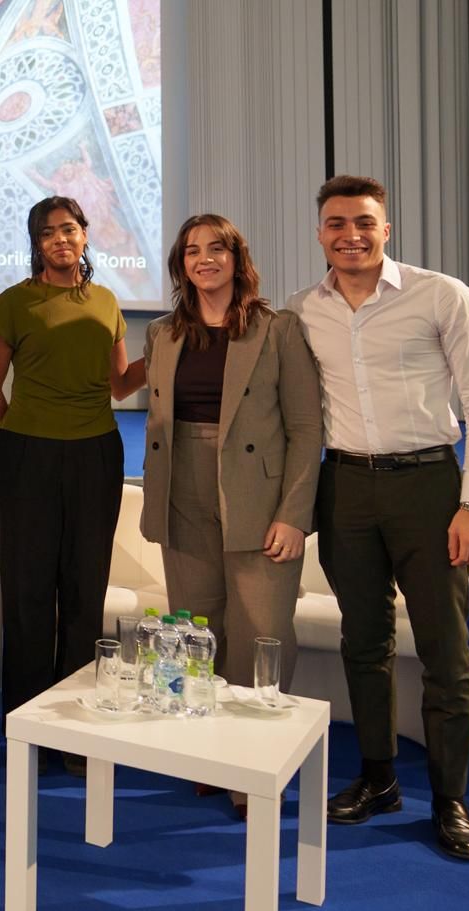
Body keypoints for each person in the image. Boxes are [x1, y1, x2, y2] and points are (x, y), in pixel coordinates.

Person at [289, 175, 469, 861]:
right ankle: (378, 779)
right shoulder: (301, 312)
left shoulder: (442, 295)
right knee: (365, 641)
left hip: (429, 486)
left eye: (363, 222)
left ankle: (451, 800)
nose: (349, 234)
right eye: (335, 223)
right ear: (319, 232)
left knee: (446, 650)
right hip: (345, 486)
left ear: (386, 228)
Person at [140, 214, 323, 817]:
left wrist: (294, 513)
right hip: (181, 491)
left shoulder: (277, 330)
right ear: (180, 266)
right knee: (196, 629)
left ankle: (255, 761)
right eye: (191, 251)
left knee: (261, 630)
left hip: (257, 495)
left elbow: (304, 428)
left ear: (236, 258)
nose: (203, 259)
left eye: (216, 248)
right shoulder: (164, 334)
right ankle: (207, 750)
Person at [0, 195, 144, 774]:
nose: (59, 239)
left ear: (84, 235)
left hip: (97, 453)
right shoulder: (14, 303)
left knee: (84, 590)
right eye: (47, 233)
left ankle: (75, 727)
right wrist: (16, 444)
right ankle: (30, 725)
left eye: (68, 229)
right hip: (28, 456)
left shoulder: (105, 300)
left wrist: (176, 341)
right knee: (28, 594)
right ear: (36, 244)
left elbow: (121, 385)